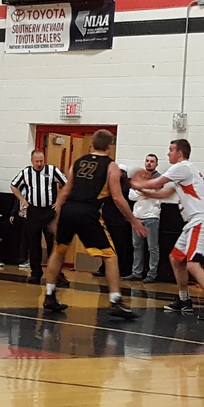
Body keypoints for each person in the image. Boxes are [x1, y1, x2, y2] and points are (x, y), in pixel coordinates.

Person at [41, 129, 148, 318]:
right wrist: (133, 220)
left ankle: (49, 295)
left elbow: (65, 191)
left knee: (58, 251)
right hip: (88, 211)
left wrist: (57, 219)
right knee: (110, 255)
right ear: (110, 146)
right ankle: (115, 300)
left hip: (68, 210)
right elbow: (117, 197)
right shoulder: (111, 166)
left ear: (92, 144)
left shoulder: (78, 162)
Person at [131, 139, 204, 321]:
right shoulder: (184, 172)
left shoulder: (182, 167)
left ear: (180, 153)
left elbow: (156, 183)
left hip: (200, 219)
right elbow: (165, 193)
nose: (168, 153)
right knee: (176, 259)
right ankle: (184, 300)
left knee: (192, 264)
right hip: (193, 221)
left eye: (170, 150)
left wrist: (135, 183)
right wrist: (144, 193)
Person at [11, 150, 68, 285]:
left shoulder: (52, 170)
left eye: (41, 160)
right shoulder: (26, 173)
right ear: (32, 161)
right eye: (37, 161)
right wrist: (22, 200)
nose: (39, 163)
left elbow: (67, 184)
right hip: (33, 212)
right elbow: (13, 185)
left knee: (52, 245)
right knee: (33, 244)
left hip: (49, 211)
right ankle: (35, 273)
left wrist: (60, 201)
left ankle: (57, 275)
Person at [124, 154, 162, 283]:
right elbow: (131, 196)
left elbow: (153, 191)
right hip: (137, 218)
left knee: (152, 247)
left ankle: (152, 274)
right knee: (137, 246)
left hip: (151, 217)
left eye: (152, 161)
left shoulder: (158, 178)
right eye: (147, 161)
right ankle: (137, 272)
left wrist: (140, 190)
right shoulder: (139, 177)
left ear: (156, 164)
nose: (149, 163)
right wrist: (144, 191)